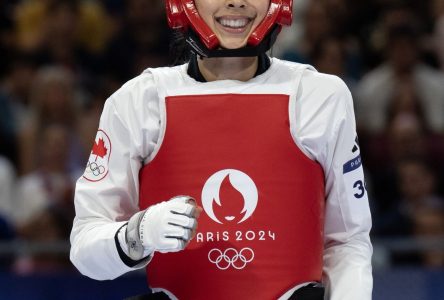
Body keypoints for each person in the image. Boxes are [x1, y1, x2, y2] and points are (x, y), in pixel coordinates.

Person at [70, 1, 373, 299]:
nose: (236, 3)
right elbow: (85, 248)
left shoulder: (319, 96)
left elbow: (348, 241)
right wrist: (138, 234)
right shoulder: (138, 101)